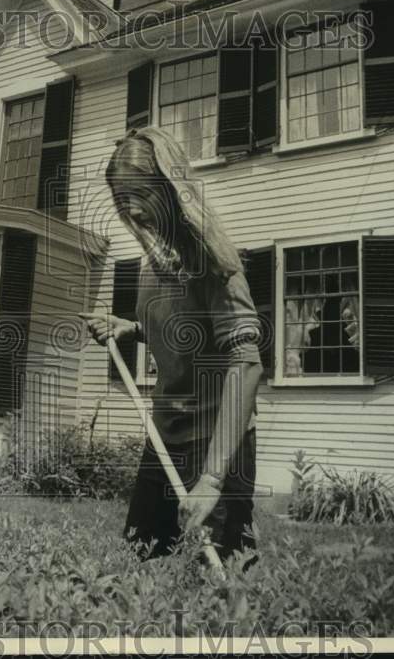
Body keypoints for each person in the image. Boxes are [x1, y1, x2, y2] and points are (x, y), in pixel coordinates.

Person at [80, 127, 264, 566]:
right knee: (140, 562)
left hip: (215, 445)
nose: (133, 209)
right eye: (122, 198)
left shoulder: (214, 262)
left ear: (171, 188)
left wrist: (213, 478)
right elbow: (185, 333)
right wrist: (132, 328)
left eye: (141, 194)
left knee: (221, 579)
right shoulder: (154, 263)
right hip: (165, 440)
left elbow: (247, 362)